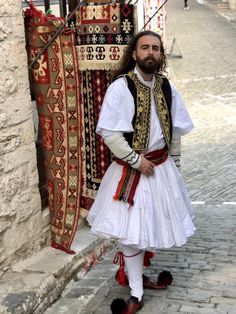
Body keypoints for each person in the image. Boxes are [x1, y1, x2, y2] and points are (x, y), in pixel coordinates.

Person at [87, 30, 196, 314]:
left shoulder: (166, 87)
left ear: (161, 54)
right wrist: (136, 161)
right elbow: (110, 134)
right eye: (145, 48)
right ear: (134, 54)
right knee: (131, 234)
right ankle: (135, 291)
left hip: (161, 169)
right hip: (133, 170)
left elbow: (175, 132)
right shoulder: (121, 87)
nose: (150, 52)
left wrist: (174, 163)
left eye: (156, 48)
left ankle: (139, 277)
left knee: (150, 226)